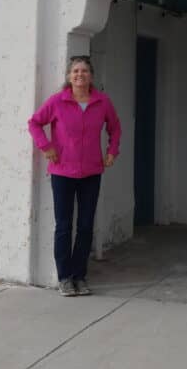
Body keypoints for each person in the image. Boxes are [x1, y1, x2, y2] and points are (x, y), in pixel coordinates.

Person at [28, 55, 121, 297]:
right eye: (76, 71)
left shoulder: (102, 102)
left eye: (85, 71)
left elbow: (115, 128)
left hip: (91, 172)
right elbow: (35, 123)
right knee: (64, 226)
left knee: (86, 226)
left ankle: (80, 276)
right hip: (63, 172)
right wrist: (46, 146)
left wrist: (112, 151)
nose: (80, 75)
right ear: (69, 76)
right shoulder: (58, 101)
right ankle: (65, 278)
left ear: (91, 76)